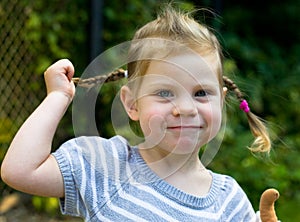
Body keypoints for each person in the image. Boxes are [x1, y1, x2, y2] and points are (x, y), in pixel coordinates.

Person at [1, 5, 271, 221]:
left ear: (221, 102)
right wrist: (57, 97)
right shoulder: (106, 167)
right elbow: (20, 171)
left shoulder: (230, 203)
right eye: (165, 93)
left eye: (201, 93)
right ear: (132, 104)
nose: (186, 109)